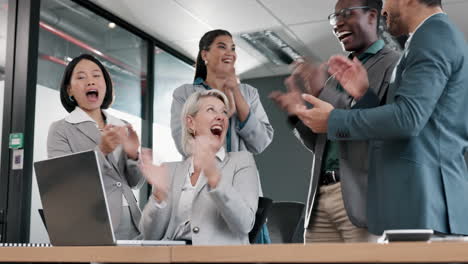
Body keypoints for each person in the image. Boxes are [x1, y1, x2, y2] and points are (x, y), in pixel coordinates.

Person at [296, 0, 468, 235]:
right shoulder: (426, 38)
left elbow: (408, 118)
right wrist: (364, 96)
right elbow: (419, 119)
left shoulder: (432, 36)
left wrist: (334, 120)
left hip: (429, 202)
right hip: (420, 203)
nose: (384, 10)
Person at [270, 0, 399, 243]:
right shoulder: (332, 80)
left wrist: (323, 92)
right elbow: (322, 143)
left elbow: (388, 128)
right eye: (334, 17)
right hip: (319, 197)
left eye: (346, 14)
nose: (337, 23)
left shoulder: (394, 65)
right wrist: (296, 114)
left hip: (364, 199)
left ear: (372, 16)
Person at [140, 90, 259, 245]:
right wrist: (159, 198)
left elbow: (244, 224)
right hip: (172, 258)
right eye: (211, 110)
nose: (220, 117)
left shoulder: (242, 161)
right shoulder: (170, 170)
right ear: (191, 123)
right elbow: (149, 237)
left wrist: (215, 179)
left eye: (224, 112)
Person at [47, 54, 144, 239]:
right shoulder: (61, 129)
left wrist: (133, 156)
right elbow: (65, 184)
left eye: (96, 75)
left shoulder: (121, 124)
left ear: (105, 85)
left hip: (133, 223)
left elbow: (134, 182)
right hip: (91, 223)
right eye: (81, 77)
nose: (90, 81)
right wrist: (102, 151)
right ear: (69, 90)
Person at [171, 29, 273, 157]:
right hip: (204, 174)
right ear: (205, 55)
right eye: (222, 47)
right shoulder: (184, 94)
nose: (230, 53)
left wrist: (236, 91)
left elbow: (261, 143)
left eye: (233, 49)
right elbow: (184, 145)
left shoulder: (249, 93)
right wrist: (225, 116)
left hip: (241, 175)